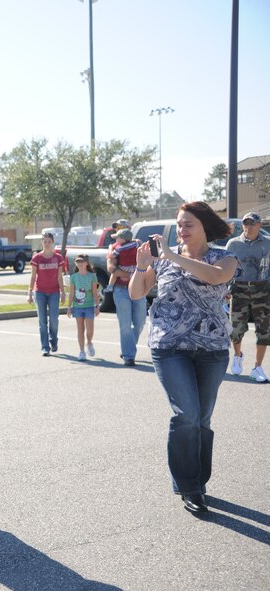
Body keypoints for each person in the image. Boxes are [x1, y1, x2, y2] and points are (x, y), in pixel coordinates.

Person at [129, 201, 237, 514]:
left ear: (205, 226)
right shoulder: (163, 260)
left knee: (201, 419)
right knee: (186, 413)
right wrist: (141, 266)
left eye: (188, 224)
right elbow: (137, 293)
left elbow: (216, 278)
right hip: (169, 347)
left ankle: (195, 481)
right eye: (179, 224)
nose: (181, 230)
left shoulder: (225, 258)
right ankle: (191, 486)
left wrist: (173, 256)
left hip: (212, 350)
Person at [226, 212, 270, 382]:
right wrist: (225, 289)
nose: (248, 227)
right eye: (246, 223)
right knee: (236, 329)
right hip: (239, 289)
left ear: (260, 225)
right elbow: (227, 269)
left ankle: (257, 367)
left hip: (263, 289)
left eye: (252, 224)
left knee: (264, 331)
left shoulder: (268, 243)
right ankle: (238, 356)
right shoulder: (233, 244)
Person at [107, 228, 147, 366]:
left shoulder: (138, 244)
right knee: (125, 325)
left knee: (140, 323)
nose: (115, 239)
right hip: (121, 290)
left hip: (139, 289)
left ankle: (128, 348)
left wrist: (130, 274)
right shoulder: (115, 248)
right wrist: (122, 273)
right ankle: (129, 356)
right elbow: (111, 267)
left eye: (117, 237)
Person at [27, 232, 65, 356]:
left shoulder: (58, 258)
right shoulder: (37, 258)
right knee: (42, 321)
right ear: (42, 242)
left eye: (49, 241)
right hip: (40, 292)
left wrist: (63, 292)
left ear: (52, 242)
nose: (47, 244)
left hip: (54, 292)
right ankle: (45, 347)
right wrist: (29, 292)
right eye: (45, 241)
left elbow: (60, 277)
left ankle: (53, 340)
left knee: (54, 320)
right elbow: (33, 277)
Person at [67, 254, 101, 361]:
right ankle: (81, 351)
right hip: (77, 307)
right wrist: (69, 307)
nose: (80, 263)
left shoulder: (92, 276)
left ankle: (89, 342)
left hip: (89, 306)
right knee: (80, 329)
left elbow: (95, 292)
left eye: (82, 261)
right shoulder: (73, 277)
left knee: (89, 330)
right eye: (78, 261)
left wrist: (97, 306)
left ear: (86, 263)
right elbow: (71, 293)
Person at [103, 228, 138, 294]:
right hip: (134, 267)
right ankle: (131, 276)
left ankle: (110, 286)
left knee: (114, 273)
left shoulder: (120, 248)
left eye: (117, 238)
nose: (116, 239)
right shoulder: (135, 244)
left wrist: (110, 248)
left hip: (124, 268)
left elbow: (111, 256)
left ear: (123, 239)